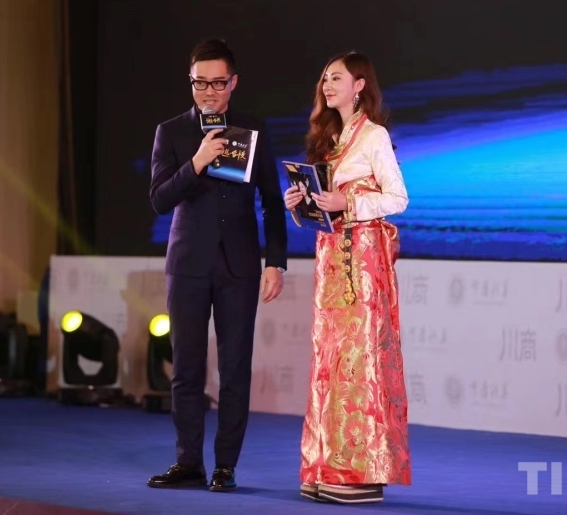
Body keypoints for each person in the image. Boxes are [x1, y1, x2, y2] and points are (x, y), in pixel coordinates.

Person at [147, 39, 288, 492]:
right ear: (190, 82)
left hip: (239, 266)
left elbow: (272, 200)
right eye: (200, 83)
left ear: (234, 83)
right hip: (188, 263)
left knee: (235, 369)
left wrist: (276, 262)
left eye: (218, 83)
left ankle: (225, 466)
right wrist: (197, 162)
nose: (209, 92)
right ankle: (188, 462)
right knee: (186, 368)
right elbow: (159, 199)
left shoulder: (253, 130)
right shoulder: (171, 132)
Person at [283, 51, 411, 504]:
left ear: (359, 86)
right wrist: (302, 204)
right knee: (330, 361)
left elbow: (398, 198)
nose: (327, 84)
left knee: (360, 360)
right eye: (324, 78)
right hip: (333, 261)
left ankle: (360, 473)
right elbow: (324, 213)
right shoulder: (329, 141)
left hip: (363, 263)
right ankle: (326, 464)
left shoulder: (374, 136)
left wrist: (349, 202)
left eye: (336, 77)